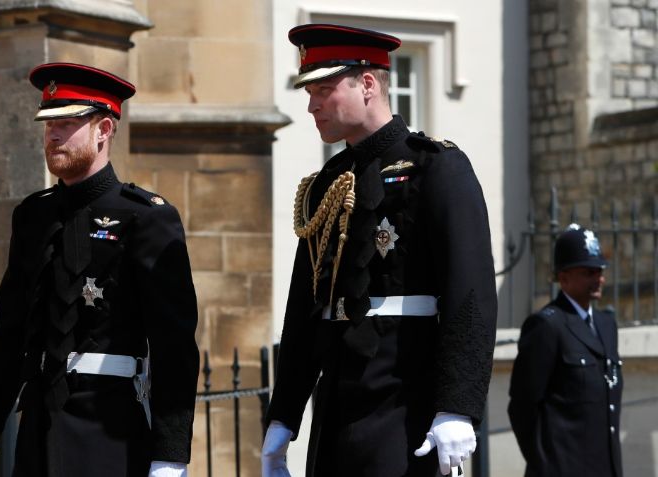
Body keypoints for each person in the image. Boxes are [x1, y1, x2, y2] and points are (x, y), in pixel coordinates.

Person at [261, 23, 497, 477]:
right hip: (336, 408)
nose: (311, 105)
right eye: (308, 92)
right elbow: (305, 309)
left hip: (404, 403)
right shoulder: (327, 184)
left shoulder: (436, 167)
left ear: (367, 84)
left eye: (324, 89)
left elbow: (470, 294)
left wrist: (457, 406)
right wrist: (284, 415)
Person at [0, 63, 200, 477]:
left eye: (67, 123)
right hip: (39, 423)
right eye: (48, 123)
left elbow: (174, 344)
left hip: (110, 424)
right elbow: (9, 330)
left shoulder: (145, 217)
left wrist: (170, 451)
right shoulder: (34, 215)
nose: (52, 135)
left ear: (103, 129)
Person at [508, 224, 623, 477]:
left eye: (601, 271)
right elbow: (522, 406)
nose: (599, 278)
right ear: (564, 277)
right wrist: (545, 464)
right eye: (589, 272)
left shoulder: (606, 325)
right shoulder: (547, 325)